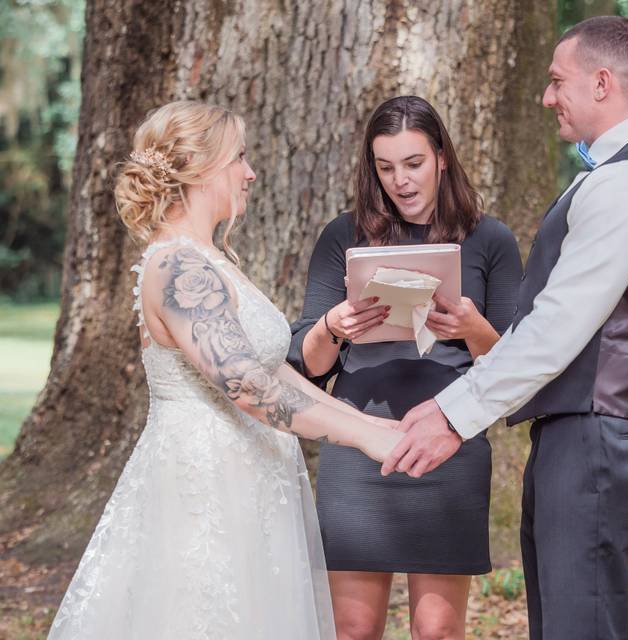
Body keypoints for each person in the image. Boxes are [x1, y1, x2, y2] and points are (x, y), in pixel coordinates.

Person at [47, 100, 403, 640]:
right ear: (200, 167)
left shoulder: (209, 258)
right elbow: (247, 385)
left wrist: (375, 427)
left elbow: (276, 373)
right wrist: (365, 439)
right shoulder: (177, 265)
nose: (250, 171)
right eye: (239, 157)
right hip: (206, 482)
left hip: (252, 475)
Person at [385, 17, 628, 639]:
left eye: (558, 82)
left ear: (602, 83)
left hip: (601, 441)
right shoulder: (613, 176)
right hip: (580, 437)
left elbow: (557, 326)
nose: (547, 97)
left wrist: (453, 414)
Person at [287, 95, 521, 640]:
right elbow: (307, 366)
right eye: (385, 167)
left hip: (448, 443)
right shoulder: (343, 236)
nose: (401, 181)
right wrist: (333, 326)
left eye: (413, 163)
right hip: (360, 443)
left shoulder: (491, 240)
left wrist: (471, 327)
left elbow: (514, 365)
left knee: (437, 631)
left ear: (442, 157)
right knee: (354, 629)